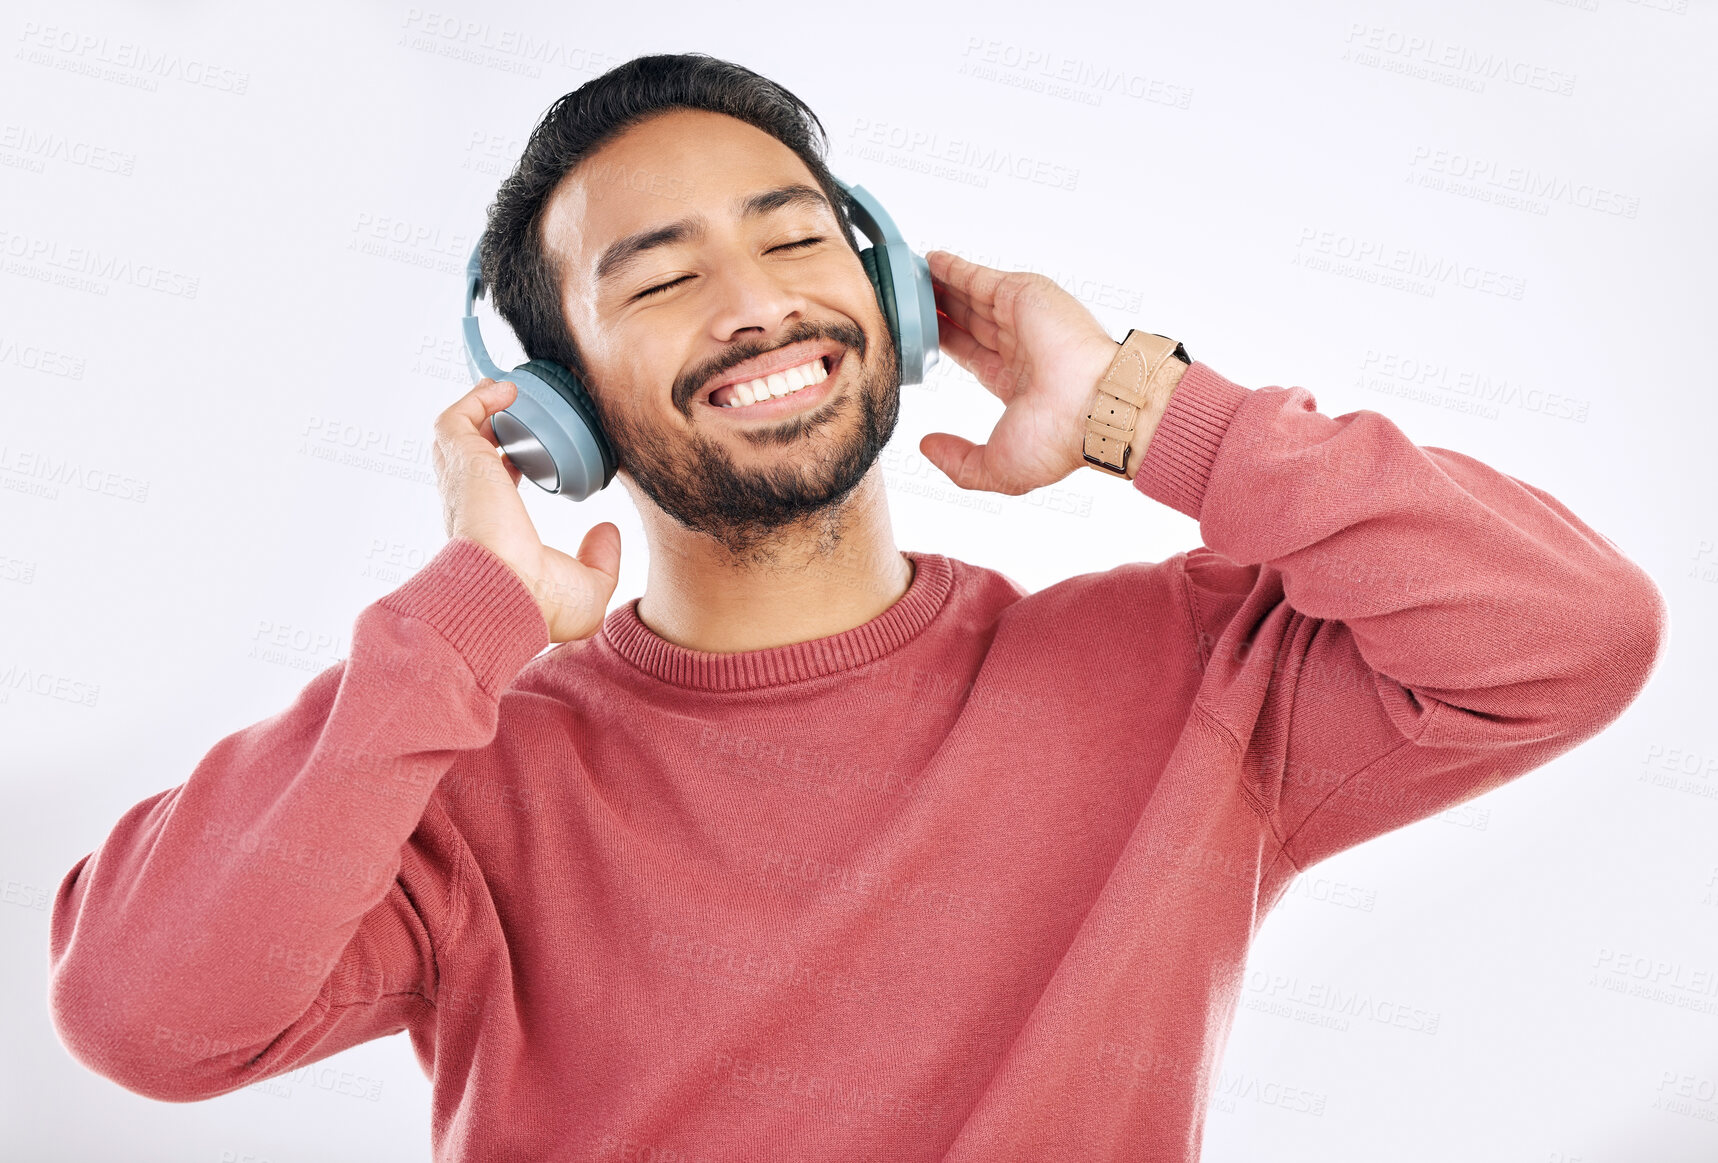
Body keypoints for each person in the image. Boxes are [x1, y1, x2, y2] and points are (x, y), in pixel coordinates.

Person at [47, 52, 1666, 1162]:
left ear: (888, 298)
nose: (758, 304)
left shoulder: (1183, 680)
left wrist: (1130, 404)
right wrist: (465, 615)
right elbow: (146, 1017)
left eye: (797, 238)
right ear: (554, 399)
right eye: (661, 276)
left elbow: (1565, 636)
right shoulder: (455, 768)